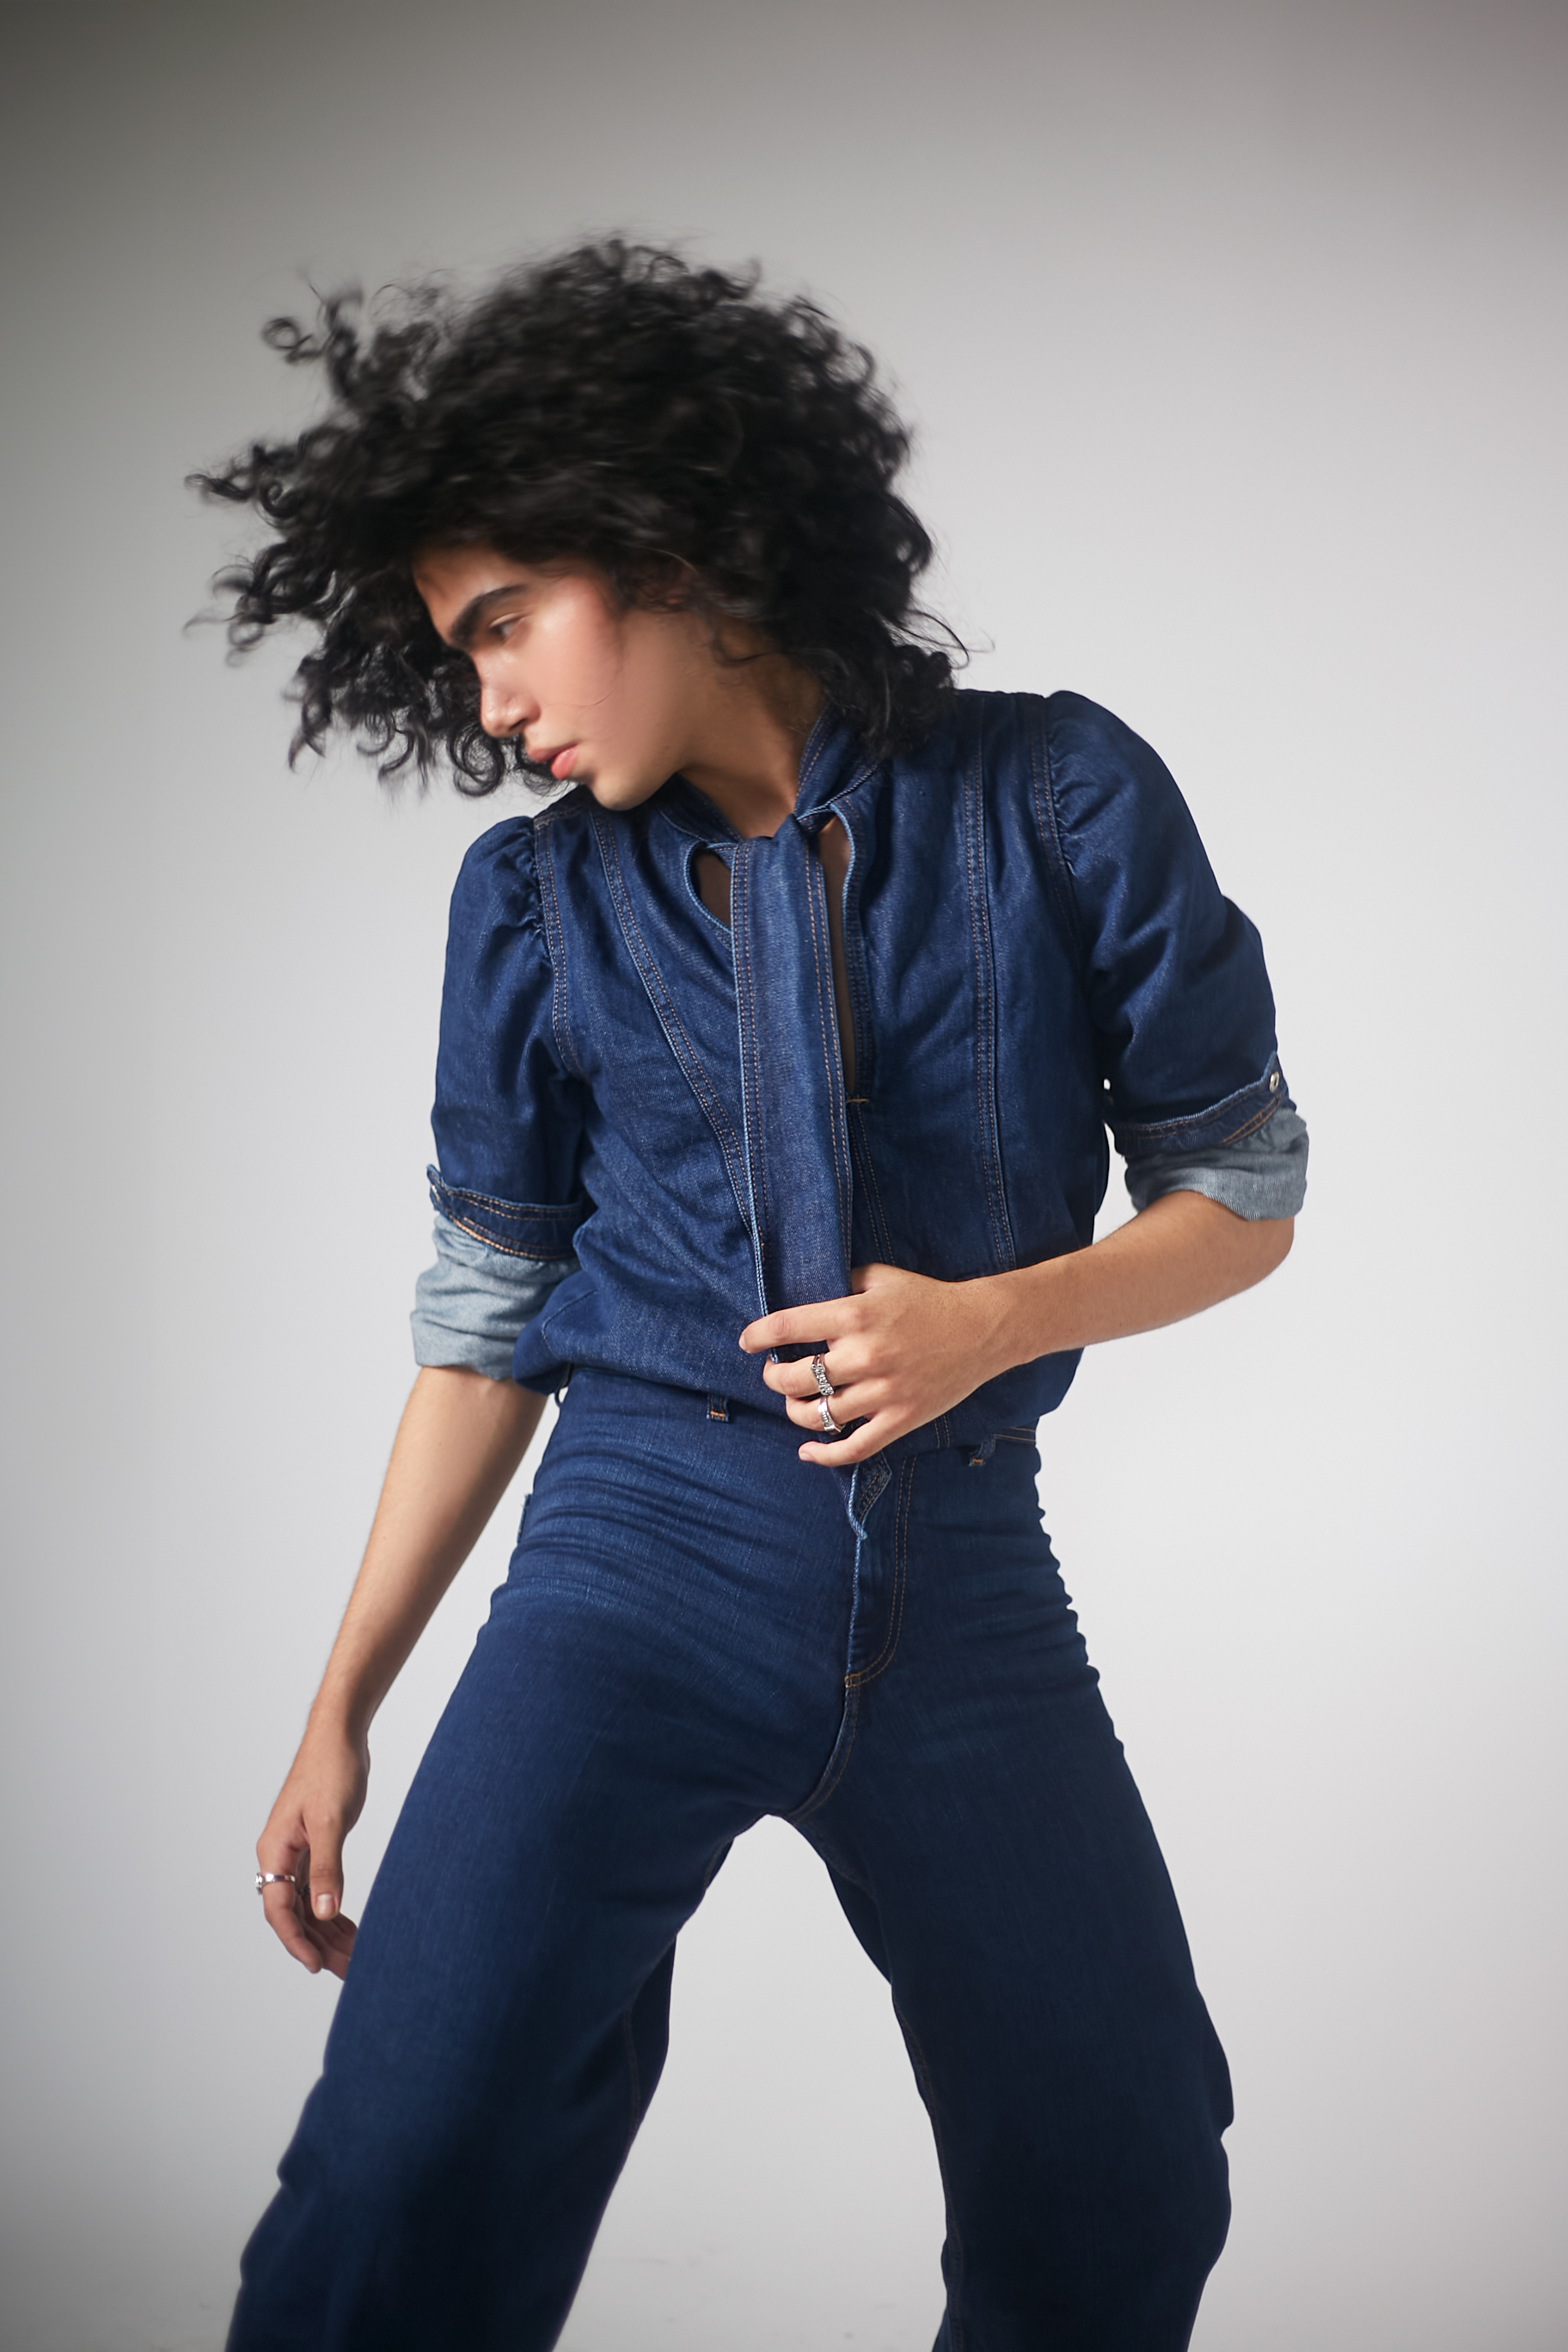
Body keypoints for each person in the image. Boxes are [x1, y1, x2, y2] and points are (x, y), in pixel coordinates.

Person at [198, 241, 1307, 2352]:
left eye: (503, 622)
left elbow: (1243, 1192)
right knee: (409, 2166)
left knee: (1129, 2168)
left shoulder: (1058, 795)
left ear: (665, 546)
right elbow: (488, 1317)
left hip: (967, 1586)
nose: (488, 702)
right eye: (456, 654)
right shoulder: (529, 900)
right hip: (634, 1566)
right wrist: (343, 1703)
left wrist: (993, 1320)